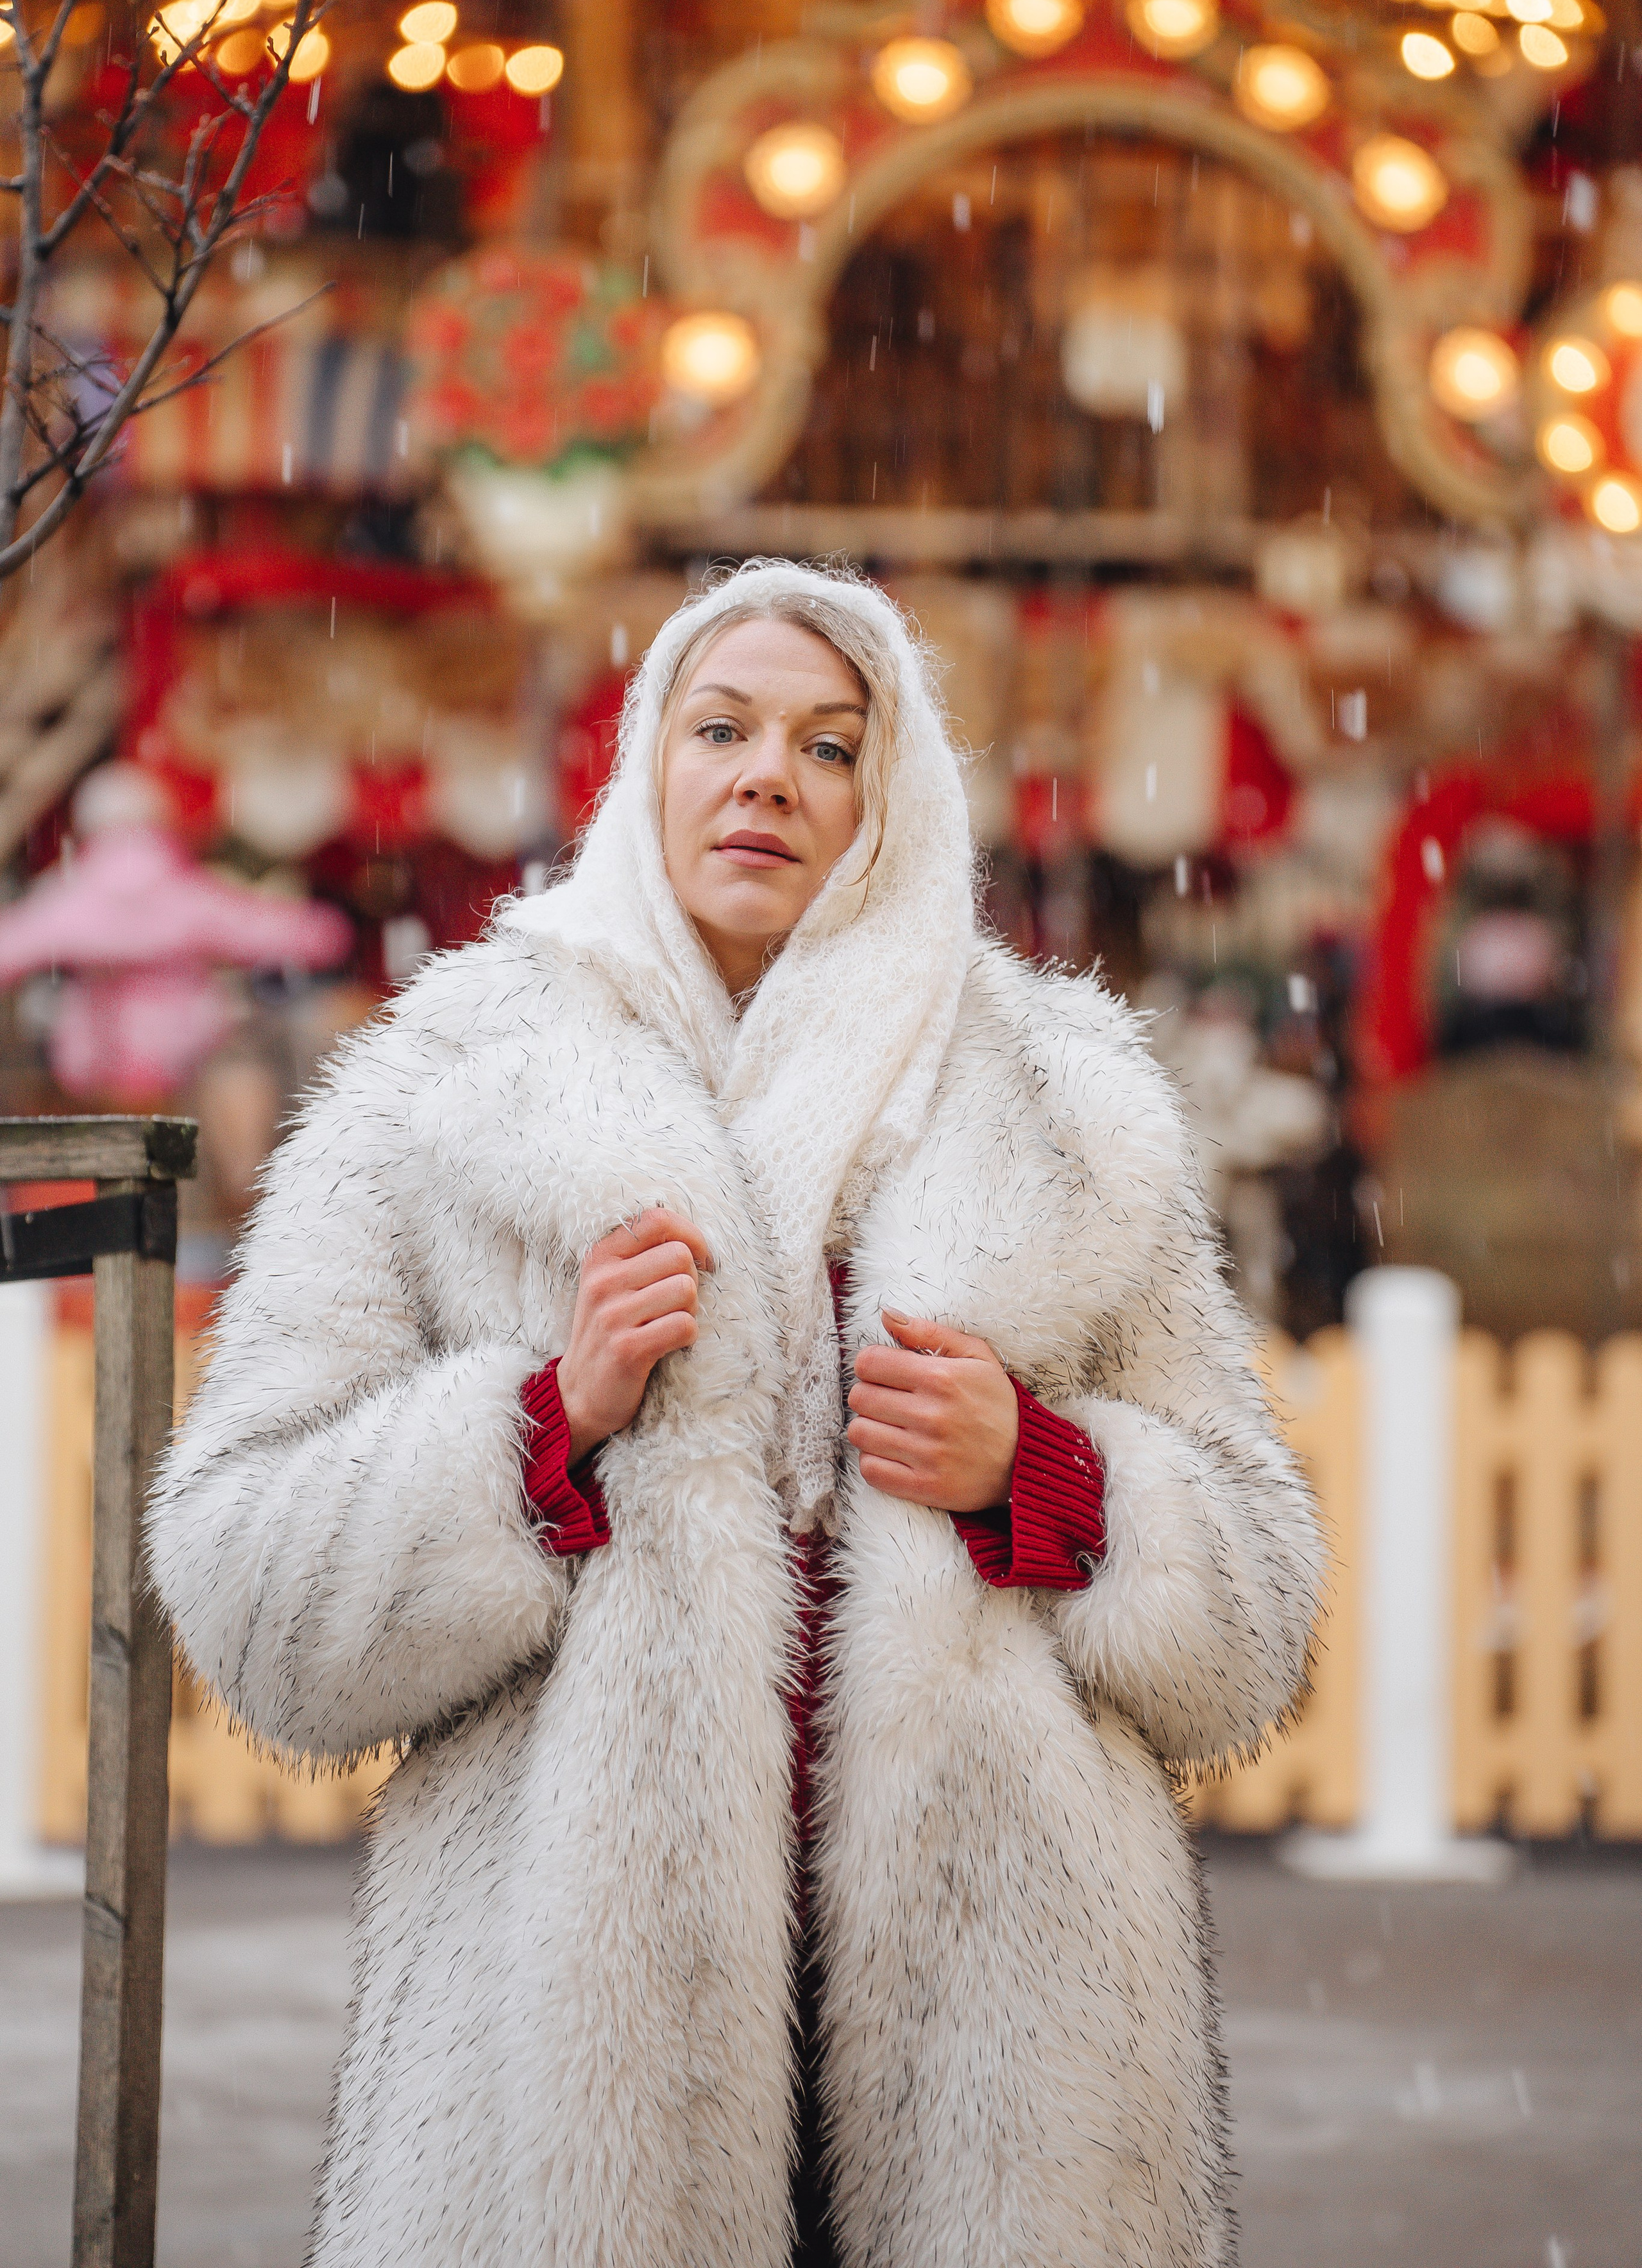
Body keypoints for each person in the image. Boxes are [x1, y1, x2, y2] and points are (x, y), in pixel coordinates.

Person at [150, 559, 1324, 2268]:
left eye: (830, 745)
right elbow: (248, 1581)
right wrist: (541, 1429)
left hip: (1009, 2056)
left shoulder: (1064, 1109)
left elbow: (1257, 1621)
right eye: (723, 728)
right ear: (651, 764)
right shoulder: (451, 1084)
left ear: (892, 795)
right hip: (556, 2055)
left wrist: (1048, 1474)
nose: (769, 775)